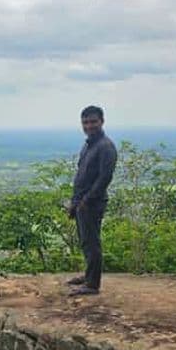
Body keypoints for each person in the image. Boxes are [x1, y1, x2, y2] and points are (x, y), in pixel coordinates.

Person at [65, 105, 117, 296]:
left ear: (102, 121)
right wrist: (75, 203)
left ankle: (92, 284)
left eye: (93, 122)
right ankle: (88, 276)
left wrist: (85, 201)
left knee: (92, 242)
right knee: (85, 241)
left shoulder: (105, 146)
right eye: (85, 122)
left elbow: (104, 178)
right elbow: (82, 176)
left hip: (92, 203)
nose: (89, 126)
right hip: (82, 203)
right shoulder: (89, 145)